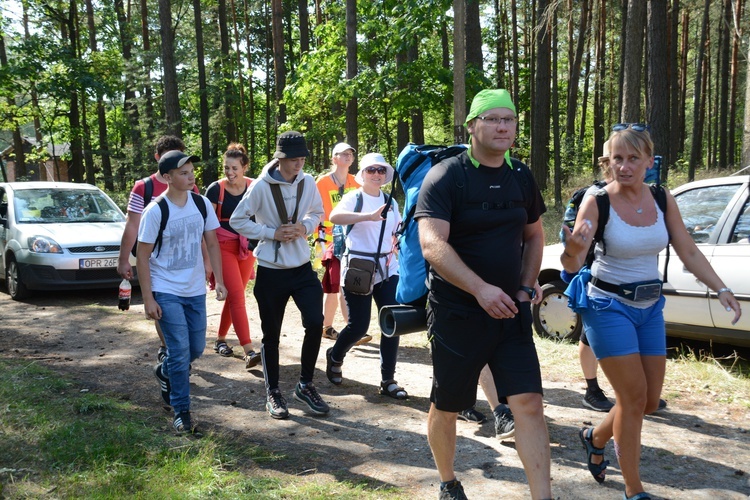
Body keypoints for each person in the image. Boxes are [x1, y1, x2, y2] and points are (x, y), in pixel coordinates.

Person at [561, 124, 741, 500]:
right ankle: (633, 489)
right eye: (616, 159)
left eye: (632, 159)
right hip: (607, 305)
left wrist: (721, 288)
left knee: (649, 400)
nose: (623, 167)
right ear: (607, 163)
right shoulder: (598, 201)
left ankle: (593, 437)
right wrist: (571, 249)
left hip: (650, 306)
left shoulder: (662, 198)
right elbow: (573, 261)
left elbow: (688, 250)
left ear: (648, 161)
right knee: (632, 396)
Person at [416, 89, 552, 500]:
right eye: (492, 119)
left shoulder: (521, 175)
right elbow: (431, 244)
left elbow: (534, 235)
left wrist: (526, 287)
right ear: (472, 125)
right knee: (448, 404)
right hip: (457, 311)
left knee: (528, 403)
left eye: (508, 120)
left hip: (510, 312)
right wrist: (479, 288)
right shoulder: (446, 176)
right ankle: (448, 481)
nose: (502, 127)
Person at [230, 130, 330, 420]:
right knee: (271, 334)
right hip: (271, 272)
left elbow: (317, 212)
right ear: (280, 158)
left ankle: (305, 384)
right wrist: (270, 233)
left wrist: (305, 228)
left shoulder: (308, 181)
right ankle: (273, 391)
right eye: (294, 160)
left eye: (302, 159)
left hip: (301, 268)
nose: (299, 165)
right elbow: (237, 220)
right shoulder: (261, 186)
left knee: (315, 322)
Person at [137, 151, 227, 434]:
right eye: (184, 173)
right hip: (165, 289)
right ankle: (182, 411)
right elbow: (142, 257)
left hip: (194, 289)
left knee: (196, 348)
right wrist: (148, 298)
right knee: (179, 351)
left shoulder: (201, 204)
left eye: (191, 171)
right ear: (167, 178)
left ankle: (165, 372)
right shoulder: (155, 211)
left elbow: (212, 243)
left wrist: (219, 281)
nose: (191, 176)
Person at [325, 152, 406, 399]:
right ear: (362, 174)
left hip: (387, 269)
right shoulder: (354, 198)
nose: (377, 174)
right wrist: (368, 217)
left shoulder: (391, 201)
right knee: (359, 326)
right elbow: (334, 218)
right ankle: (335, 356)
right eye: (371, 170)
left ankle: (388, 380)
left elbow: (397, 229)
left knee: (392, 325)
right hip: (359, 268)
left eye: (381, 170)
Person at [117, 136, 203, 363]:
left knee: (190, 337)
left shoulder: (189, 184)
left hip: (184, 265)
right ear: (159, 160)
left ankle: (175, 357)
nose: (183, 169)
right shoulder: (143, 187)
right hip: (155, 264)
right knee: (165, 311)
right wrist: (124, 259)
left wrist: (208, 261)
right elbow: (133, 224)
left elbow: (197, 226)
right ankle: (170, 351)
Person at [205, 143, 260, 369]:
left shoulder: (255, 187)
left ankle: (220, 339)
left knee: (234, 295)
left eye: (234, 168)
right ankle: (249, 349)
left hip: (246, 248)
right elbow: (205, 227)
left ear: (244, 167)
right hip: (223, 247)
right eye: (226, 167)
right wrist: (207, 260)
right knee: (238, 296)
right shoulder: (214, 190)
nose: (229, 172)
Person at [315, 143, 358, 341]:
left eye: (351, 153)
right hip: (328, 240)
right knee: (335, 285)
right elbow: (313, 210)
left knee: (344, 284)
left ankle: (334, 327)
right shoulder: (322, 182)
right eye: (344, 154)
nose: (349, 156)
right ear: (334, 159)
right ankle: (340, 328)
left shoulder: (356, 182)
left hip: (351, 239)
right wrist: (319, 240)